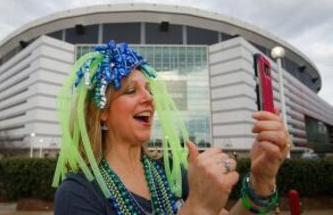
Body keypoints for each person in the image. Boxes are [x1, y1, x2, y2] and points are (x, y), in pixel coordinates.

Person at [53, 40, 291, 215]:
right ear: (102, 112)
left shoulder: (171, 173)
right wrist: (197, 207)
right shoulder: (78, 193)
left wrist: (262, 179)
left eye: (149, 89)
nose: (149, 98)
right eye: (131, 90)